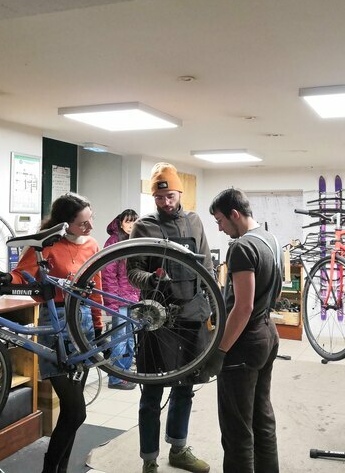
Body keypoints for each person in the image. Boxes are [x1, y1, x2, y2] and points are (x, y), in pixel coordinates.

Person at [128, 162, 213, 473]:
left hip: (192, 316)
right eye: (160, 198)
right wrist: (151, 279)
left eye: (171, 196)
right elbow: (131, 271)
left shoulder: (195, 222)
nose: (166, 203)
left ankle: (178, 448)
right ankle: (149, 460)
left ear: (180, 192)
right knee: (152, 390)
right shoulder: (144, 226)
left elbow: (207, 267)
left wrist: (214, 305)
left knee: (185, 386)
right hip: (157, 319)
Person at [10, 193, 102, 473]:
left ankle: (59, 470)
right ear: (64, 224)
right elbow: (21, 275)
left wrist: (99, 326)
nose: (89, 229)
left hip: (83, 322)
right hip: (56, 323)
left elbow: (95, 288)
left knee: (71, 414)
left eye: (90, 221)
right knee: (76, 410)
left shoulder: (92, 244)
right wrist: (5, 281)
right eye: (82, 224)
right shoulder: (47, 245)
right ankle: (50, 469)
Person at [203, 188, 281, 473]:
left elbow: (243, 308)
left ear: (235, 214)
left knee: (237, 430)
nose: (220, 228)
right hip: (268, 334)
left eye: (220, 220)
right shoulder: (269, 238)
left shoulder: (241, 247)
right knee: (262, 418)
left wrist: (219, 350)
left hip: (244, 343)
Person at [100, 208, 139, 390]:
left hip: (132, 298)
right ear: (120, 222)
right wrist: (112, 302)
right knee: (119, 338)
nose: (131, 225)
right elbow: (107, 275)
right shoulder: (113, 242)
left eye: (133, 221)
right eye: (127, 221)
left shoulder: (134, 241)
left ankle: (124, 373)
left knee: (129, 338)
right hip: (119, 300)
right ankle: (115, 378)